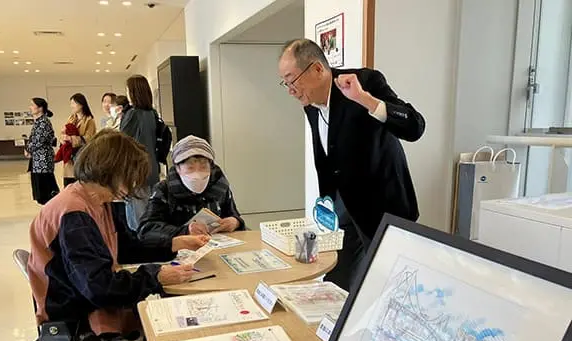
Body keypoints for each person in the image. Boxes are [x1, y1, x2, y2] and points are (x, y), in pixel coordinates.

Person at [27, 130, 194, 341]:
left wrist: (175, 243)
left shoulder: (96, 202)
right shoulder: (74, 214)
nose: (135, 184)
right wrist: (155, 276)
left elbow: (126, 246)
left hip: (92, 320)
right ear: (113, 170)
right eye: (132, 175)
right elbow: (100, 289)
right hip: (80, 336)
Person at [278, 39, 425, 291]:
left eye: (293, 81)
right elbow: (328, 151)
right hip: (342, 206)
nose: (290, 90)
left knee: (386, 285)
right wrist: (326, 203)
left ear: (317, 69)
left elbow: (415, 126)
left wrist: (366, 100)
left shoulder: (364, 82)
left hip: (382, 207)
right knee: (338, 279)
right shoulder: (311, 104)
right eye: (285, 83)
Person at [138, 135, 245, 249]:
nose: (197, 174)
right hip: (179, 253)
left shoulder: (221, 186)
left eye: (203, 167)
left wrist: (235, 222)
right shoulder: (164, 189)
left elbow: (233, 215)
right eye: (190, 168)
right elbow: (146, 229)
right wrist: (185, 230)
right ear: (178, 168)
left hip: (217, 249)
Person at [121, 75, 159, 230]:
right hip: (152, 168)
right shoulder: (152, 114)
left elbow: (122, 143)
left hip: (135, 171)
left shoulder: (132, 114)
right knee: (150, 212)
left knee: (137, 219)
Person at [25, 97, 59, 205]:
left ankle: (51, 210)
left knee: (46, 190)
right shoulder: (38, 122)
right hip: (37, 161)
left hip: (43, 161)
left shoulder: (44, 122)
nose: (30, 107)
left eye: (32, 105)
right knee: (40, 191)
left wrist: (28, 149)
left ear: (40, 108)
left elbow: (38, 140)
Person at [61, 93, 96, 187]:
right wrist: (63, 137)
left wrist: (72, 139)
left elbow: (89, 138)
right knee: (68, 184)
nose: (71, 106)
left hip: (81, 155)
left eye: (73, 103)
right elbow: (63, 132)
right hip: (69, 156)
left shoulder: (89, 120)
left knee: (80, 184)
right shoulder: (71, 118)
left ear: (81, 104)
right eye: (71, 103)